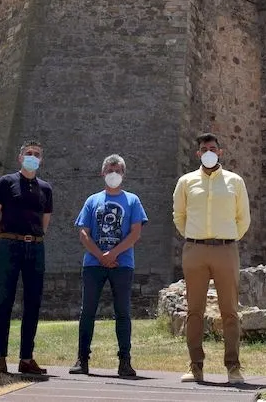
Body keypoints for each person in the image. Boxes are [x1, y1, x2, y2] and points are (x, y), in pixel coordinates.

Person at [173, 132, 250, 385]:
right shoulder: (186, 182)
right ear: (198, 153)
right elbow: (179, 215)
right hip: (195, 250)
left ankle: (233, 367)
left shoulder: (235, 181)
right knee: (194, 310)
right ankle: (195, 366)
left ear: (220, 152)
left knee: (230, 310)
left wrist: (227, 239)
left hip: (226, 249)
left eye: (213, 148)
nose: (209, 151)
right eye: (204, 148)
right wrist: (195, 238)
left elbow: (243, 218)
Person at [68, 154, 148, 377]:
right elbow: (83, 232)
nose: (114, 173)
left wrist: (112, 254)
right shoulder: (92, 200)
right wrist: (101, 255)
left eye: (118, 170)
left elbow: (135, 233)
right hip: (94, 264)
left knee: (123, 312)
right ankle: (82, 359)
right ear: (103, 173)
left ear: (123, 174)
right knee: (87, 312)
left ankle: (125, 361)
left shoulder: (132, 200)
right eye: (110, 169)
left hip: (122, 264)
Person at [0, 139, 53, 376]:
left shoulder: (45, 188)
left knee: (33, 303)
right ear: (20, 157)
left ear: (41, 159)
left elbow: (45, 220)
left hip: (35, 247)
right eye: (29, 153)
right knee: (4, 301)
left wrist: (33, 238)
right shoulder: (6, 182)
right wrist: (4, 239)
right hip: (10, 245)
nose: (32, 156)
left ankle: (26, 358)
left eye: (36, 154)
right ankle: (1, 357)